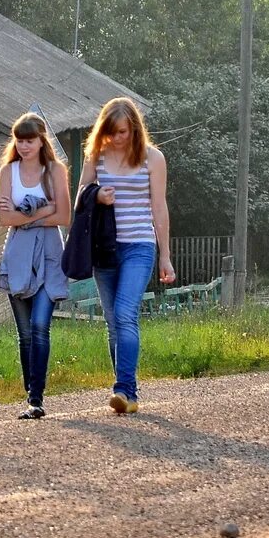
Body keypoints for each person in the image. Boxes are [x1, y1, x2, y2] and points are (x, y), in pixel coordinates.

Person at [78, 97, 175, 414]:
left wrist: (165, 256)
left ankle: (125, 390)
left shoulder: (153, 158)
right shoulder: (96, 156)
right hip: (104, 248)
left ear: (134, 129)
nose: (118, 138)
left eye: (124, 132)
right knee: (112, 323)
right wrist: (98, 195)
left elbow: (159, 208)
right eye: (112, 132)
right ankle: (125, 391)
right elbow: (81, 195)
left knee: (124, 314)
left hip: (139, 246)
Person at [0, 112, 71, 420]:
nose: (24, 146)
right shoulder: (7, 173)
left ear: (42, 141)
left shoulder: (55, 171)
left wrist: (25, 214)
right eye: (20, 141)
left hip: (50, 253)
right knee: (25, 332)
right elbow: (5, 219)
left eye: (30, 140)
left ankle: (37, 397)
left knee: (40, 326)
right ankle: (30, 393)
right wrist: (43, 209)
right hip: (18, 253)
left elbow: (64, 215)